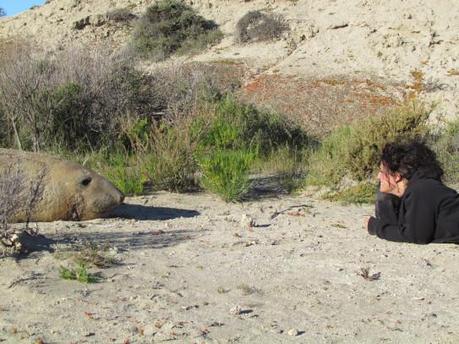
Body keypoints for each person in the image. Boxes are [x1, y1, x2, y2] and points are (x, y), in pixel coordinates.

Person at [365, 140, 459, 244]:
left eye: (382, 172)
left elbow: (416, 236)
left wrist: (375, 227)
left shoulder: (422, 189)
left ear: (397, 176)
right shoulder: (417, 189)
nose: (378, 176)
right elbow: (398, 226)